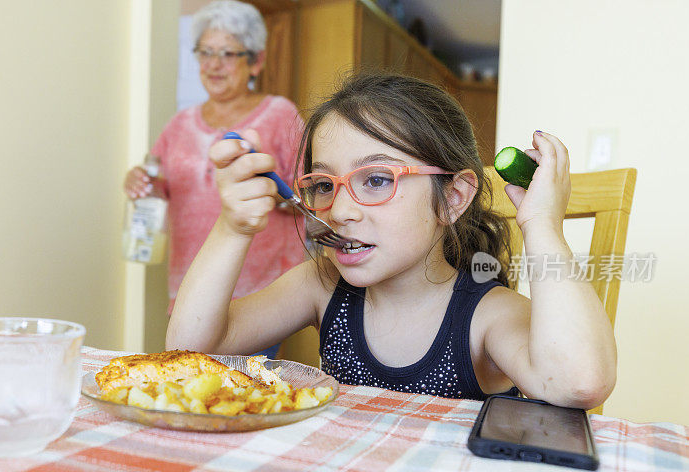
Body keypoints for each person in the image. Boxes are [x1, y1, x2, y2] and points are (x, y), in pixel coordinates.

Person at [166, 73, 617, 409]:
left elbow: (579, 382)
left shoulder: (487, 315)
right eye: (324, 185)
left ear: (453, 198)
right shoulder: (321, 286)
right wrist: (233, 227)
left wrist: (541, 225)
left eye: (377, 179)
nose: (340, 210)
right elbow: (189, 349)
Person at [123, 0, 304, 359]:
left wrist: (270, 193)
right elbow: (158, 186)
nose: (213, 64)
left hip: (261, 296)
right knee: (192, 386)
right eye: (205, 52)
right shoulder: (179, 124)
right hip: (192, 289)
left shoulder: (281, 114)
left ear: (256, 60)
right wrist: (139, 182)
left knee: (244, 398)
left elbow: (308, 194)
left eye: (227, 53)